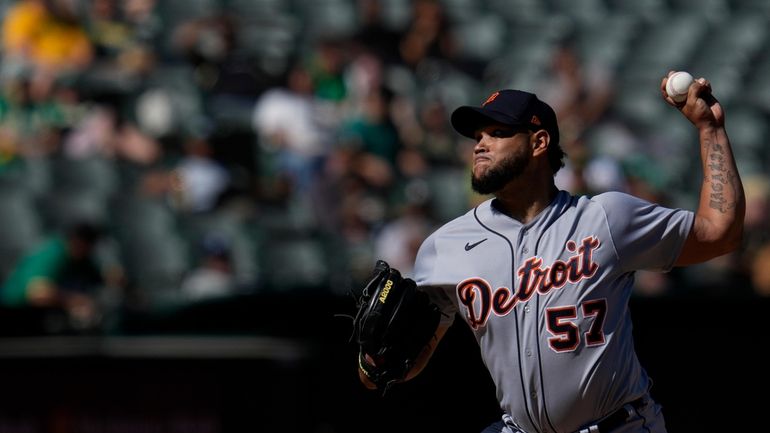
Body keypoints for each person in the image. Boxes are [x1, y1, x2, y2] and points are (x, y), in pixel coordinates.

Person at [357, 73, 745, 433]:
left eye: (497, 132)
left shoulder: (606, 218)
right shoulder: (445, 247)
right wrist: (373, 362)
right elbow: (404, 362)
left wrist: (710, 129)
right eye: (478, 135)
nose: (480, 143)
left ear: (539, 143)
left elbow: (719, 234)